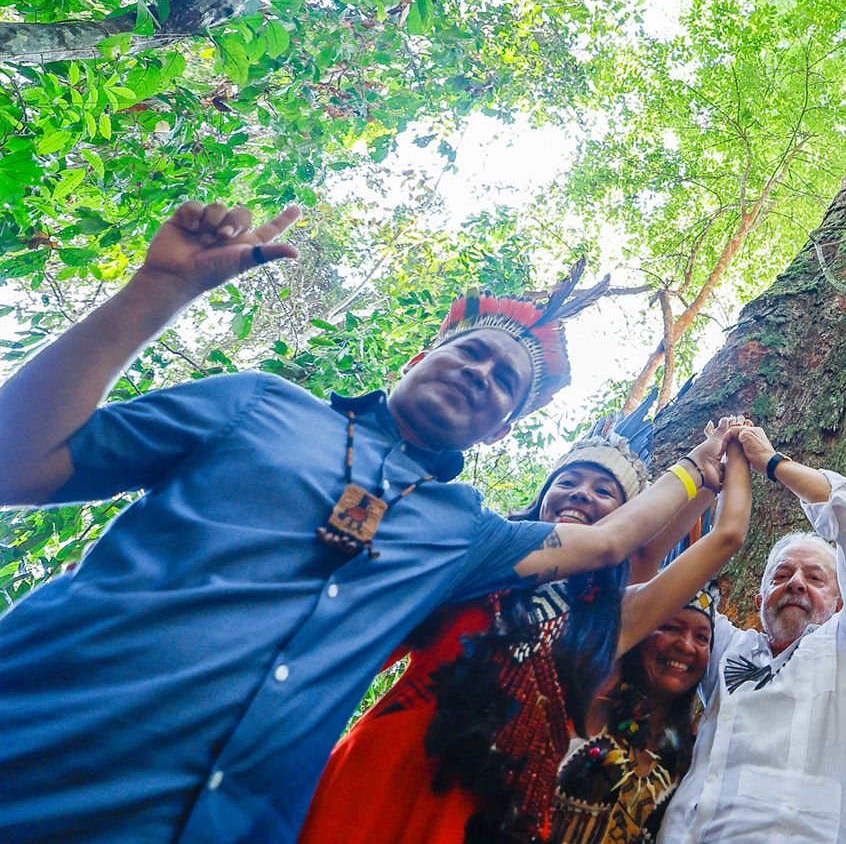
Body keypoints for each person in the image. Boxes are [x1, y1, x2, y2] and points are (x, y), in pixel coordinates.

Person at [0, 200, 725, 844]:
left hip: (232, 821)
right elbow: (17, 461)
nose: (481, 374)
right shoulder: (261, 406)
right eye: (470, 352)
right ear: (420, 357)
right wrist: (160, 290)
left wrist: (701, 464)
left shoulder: (466, 533)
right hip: (40, 741)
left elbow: (613, 542)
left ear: (504, 429)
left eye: (504, 382)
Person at [300, 402, 752, 844]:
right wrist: (697, 469)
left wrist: (721, 471)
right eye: (568, 481)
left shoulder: (612, 621)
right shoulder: (478, 559)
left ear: (629, 518)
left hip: (492, 816)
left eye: (604, 491)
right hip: (382, 771)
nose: (580, 494)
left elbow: (716, 538)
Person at [658, 425, 846, 844]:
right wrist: (711, 468)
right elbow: (667, 591)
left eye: (816, 577)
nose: (797, 584)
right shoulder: (725, 647)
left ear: (843, 602)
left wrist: (769, 461)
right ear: (759, 599)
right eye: (783, 575)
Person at [550, 584, 722, 843]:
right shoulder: (592, 706)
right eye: (671, 627)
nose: (687, 646)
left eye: (702, 638)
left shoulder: (691, 759)